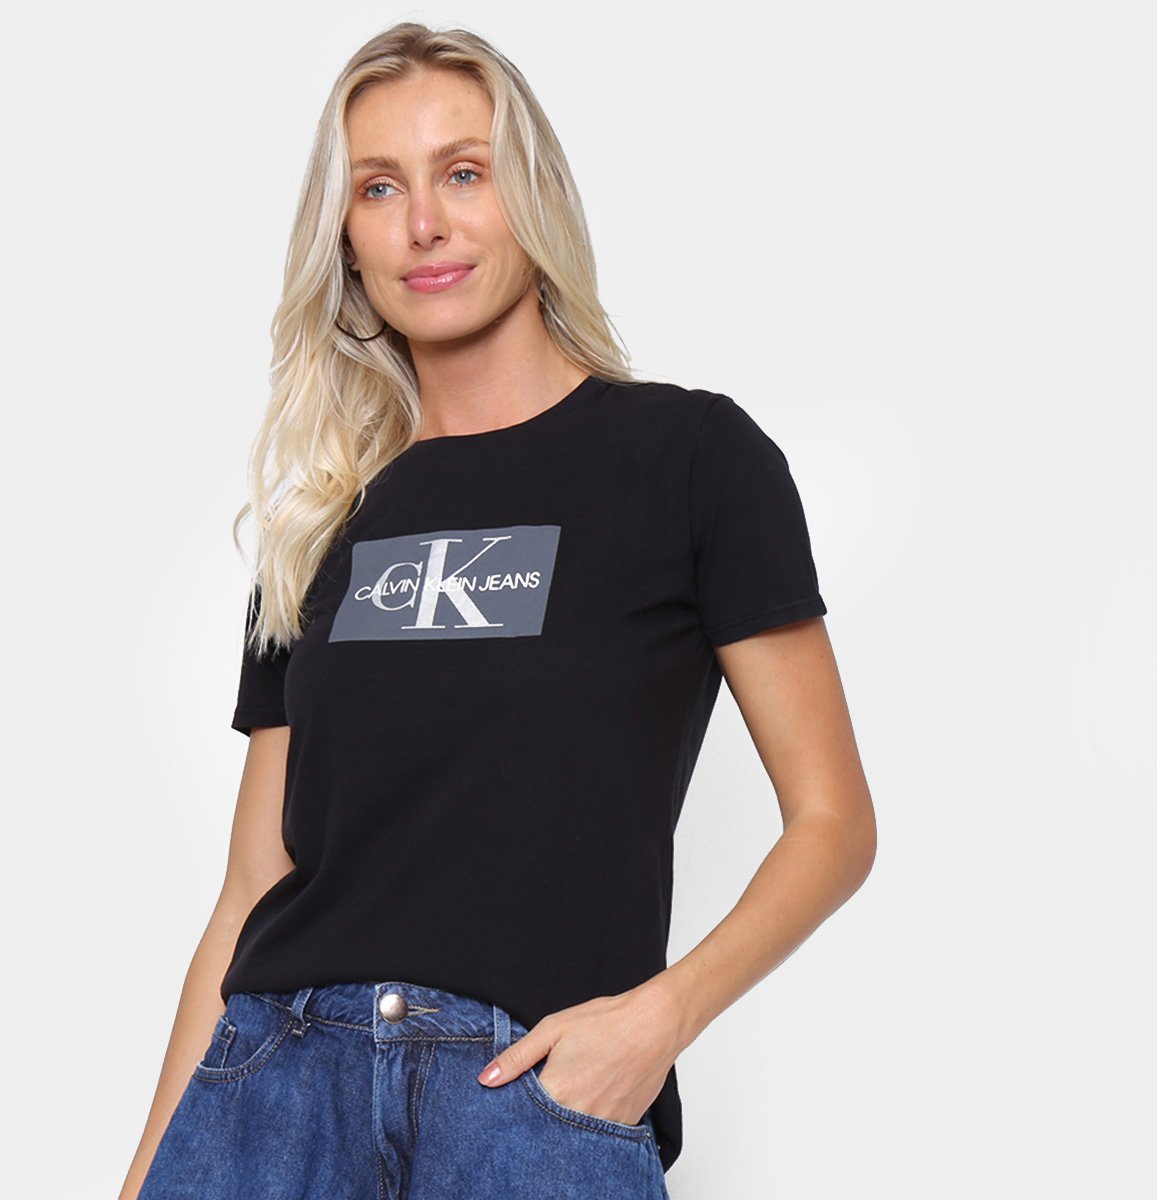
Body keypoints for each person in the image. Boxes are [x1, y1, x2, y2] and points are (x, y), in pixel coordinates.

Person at [121, 19, 876, 1200]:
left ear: (532, 196)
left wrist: (659, 1020)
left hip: (524, 1107)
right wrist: (148, 1175)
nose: (423, 223)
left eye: (463, 173)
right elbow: (251, 890)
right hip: (276, 1099)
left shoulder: (690, 459)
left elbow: (833, 823)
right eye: (379, 187)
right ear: (345, 238)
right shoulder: (322, 524)